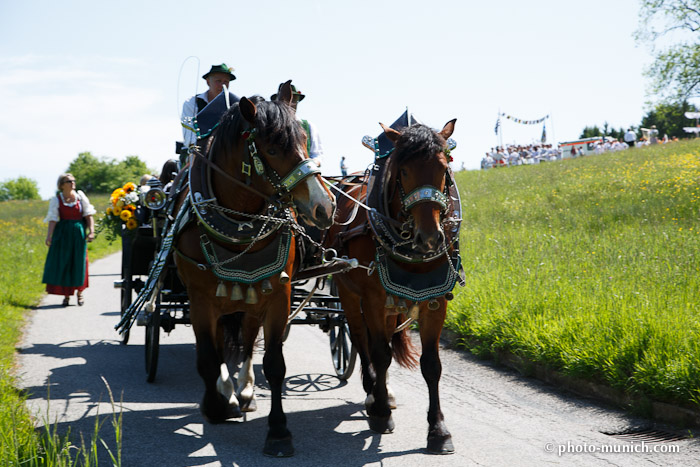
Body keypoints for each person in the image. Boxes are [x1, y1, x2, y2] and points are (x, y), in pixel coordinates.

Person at [42, 173, 96, 306]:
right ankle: (66, 295)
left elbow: (88, 215)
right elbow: (53, 219)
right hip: (63, 235)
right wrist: (49, 236)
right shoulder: (57, 200)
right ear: (61, 185)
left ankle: (80, 293)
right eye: (68, 181)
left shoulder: (80, 197)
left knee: (79, 262)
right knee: (65, 262)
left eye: (73, 181)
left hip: (78, 234)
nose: (72, 183)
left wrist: (91, 232)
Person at [180, 63, 240, 156]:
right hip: (198, 151)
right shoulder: (192, 102)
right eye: (218, 81)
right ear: (208, 82)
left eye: (226, 82)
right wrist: (195, 147)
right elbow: (189, 130)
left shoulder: (235, 104)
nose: (222, 85)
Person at [271, 82, 324, 166]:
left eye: (294, 100)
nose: (290, 103)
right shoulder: (270, 127)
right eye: (285, 99)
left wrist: (309, 164)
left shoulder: (309, 126)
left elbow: (317, 156)